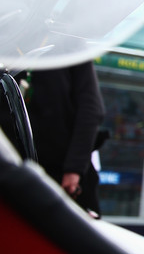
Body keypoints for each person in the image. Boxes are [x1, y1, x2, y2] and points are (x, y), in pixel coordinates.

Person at [18, 62, 106, 215]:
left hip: (61, 173)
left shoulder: (69, 49)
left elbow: (91, 110)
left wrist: (74, 169)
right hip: (15, 169)